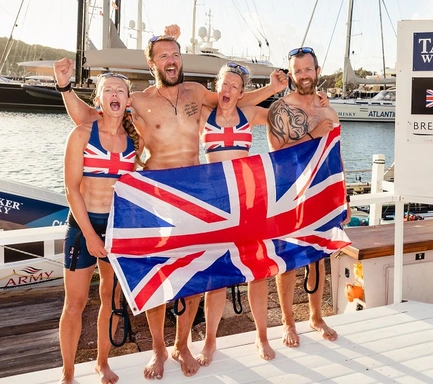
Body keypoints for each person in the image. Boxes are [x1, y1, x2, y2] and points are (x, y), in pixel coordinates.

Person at [53, 26, 287, 379]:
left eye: (175, 54)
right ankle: (159, 350)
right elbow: (92, 117)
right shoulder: (140, 99)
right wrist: (65, 88)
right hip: (158, 196)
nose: (171, 61)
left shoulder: (196, 92)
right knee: (158, 276)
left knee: (194, 276)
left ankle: (182, 344)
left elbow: (233, 101)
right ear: (151, 63)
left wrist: (275, 90)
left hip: (195, 195)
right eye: (163, 56)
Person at [198, 62, 334, 364]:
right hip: (215, 204)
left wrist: (322, 105)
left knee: (256, 273)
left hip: (247, 202)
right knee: (216, 277)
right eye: (224, 84)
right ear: (217, 85)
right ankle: (209, 341)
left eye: (235, 86)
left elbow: (293, 116)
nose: (229, 90)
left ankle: (261, 336)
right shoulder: (202, 116)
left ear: (242, 92)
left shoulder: (252, 115)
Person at [59, 73, 144, 384]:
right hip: (84, 227)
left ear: (128, 100)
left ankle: (101, 362)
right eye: (108, 89)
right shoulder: (81, 134)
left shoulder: (134, 141)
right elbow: (71, 189)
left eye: (120, 90)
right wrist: (92, 236)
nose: (114, 94)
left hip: (117, 228)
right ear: (98, 99)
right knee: (75, 304)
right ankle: (68, 374)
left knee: (110, 297)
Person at [266, 46, 350, 348]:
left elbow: (336, 155)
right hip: (289, 193)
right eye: (297, 70)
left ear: (317, 70)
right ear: (292, 74)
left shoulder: (328, 109)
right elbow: (277, 152)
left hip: (323, 193)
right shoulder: (280, 108)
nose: (303, 75)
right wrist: (313, 133)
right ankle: (289, 321)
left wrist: (345, 197)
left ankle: (315, 316)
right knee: (287, 260)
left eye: (308, 69)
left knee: (318, 258)